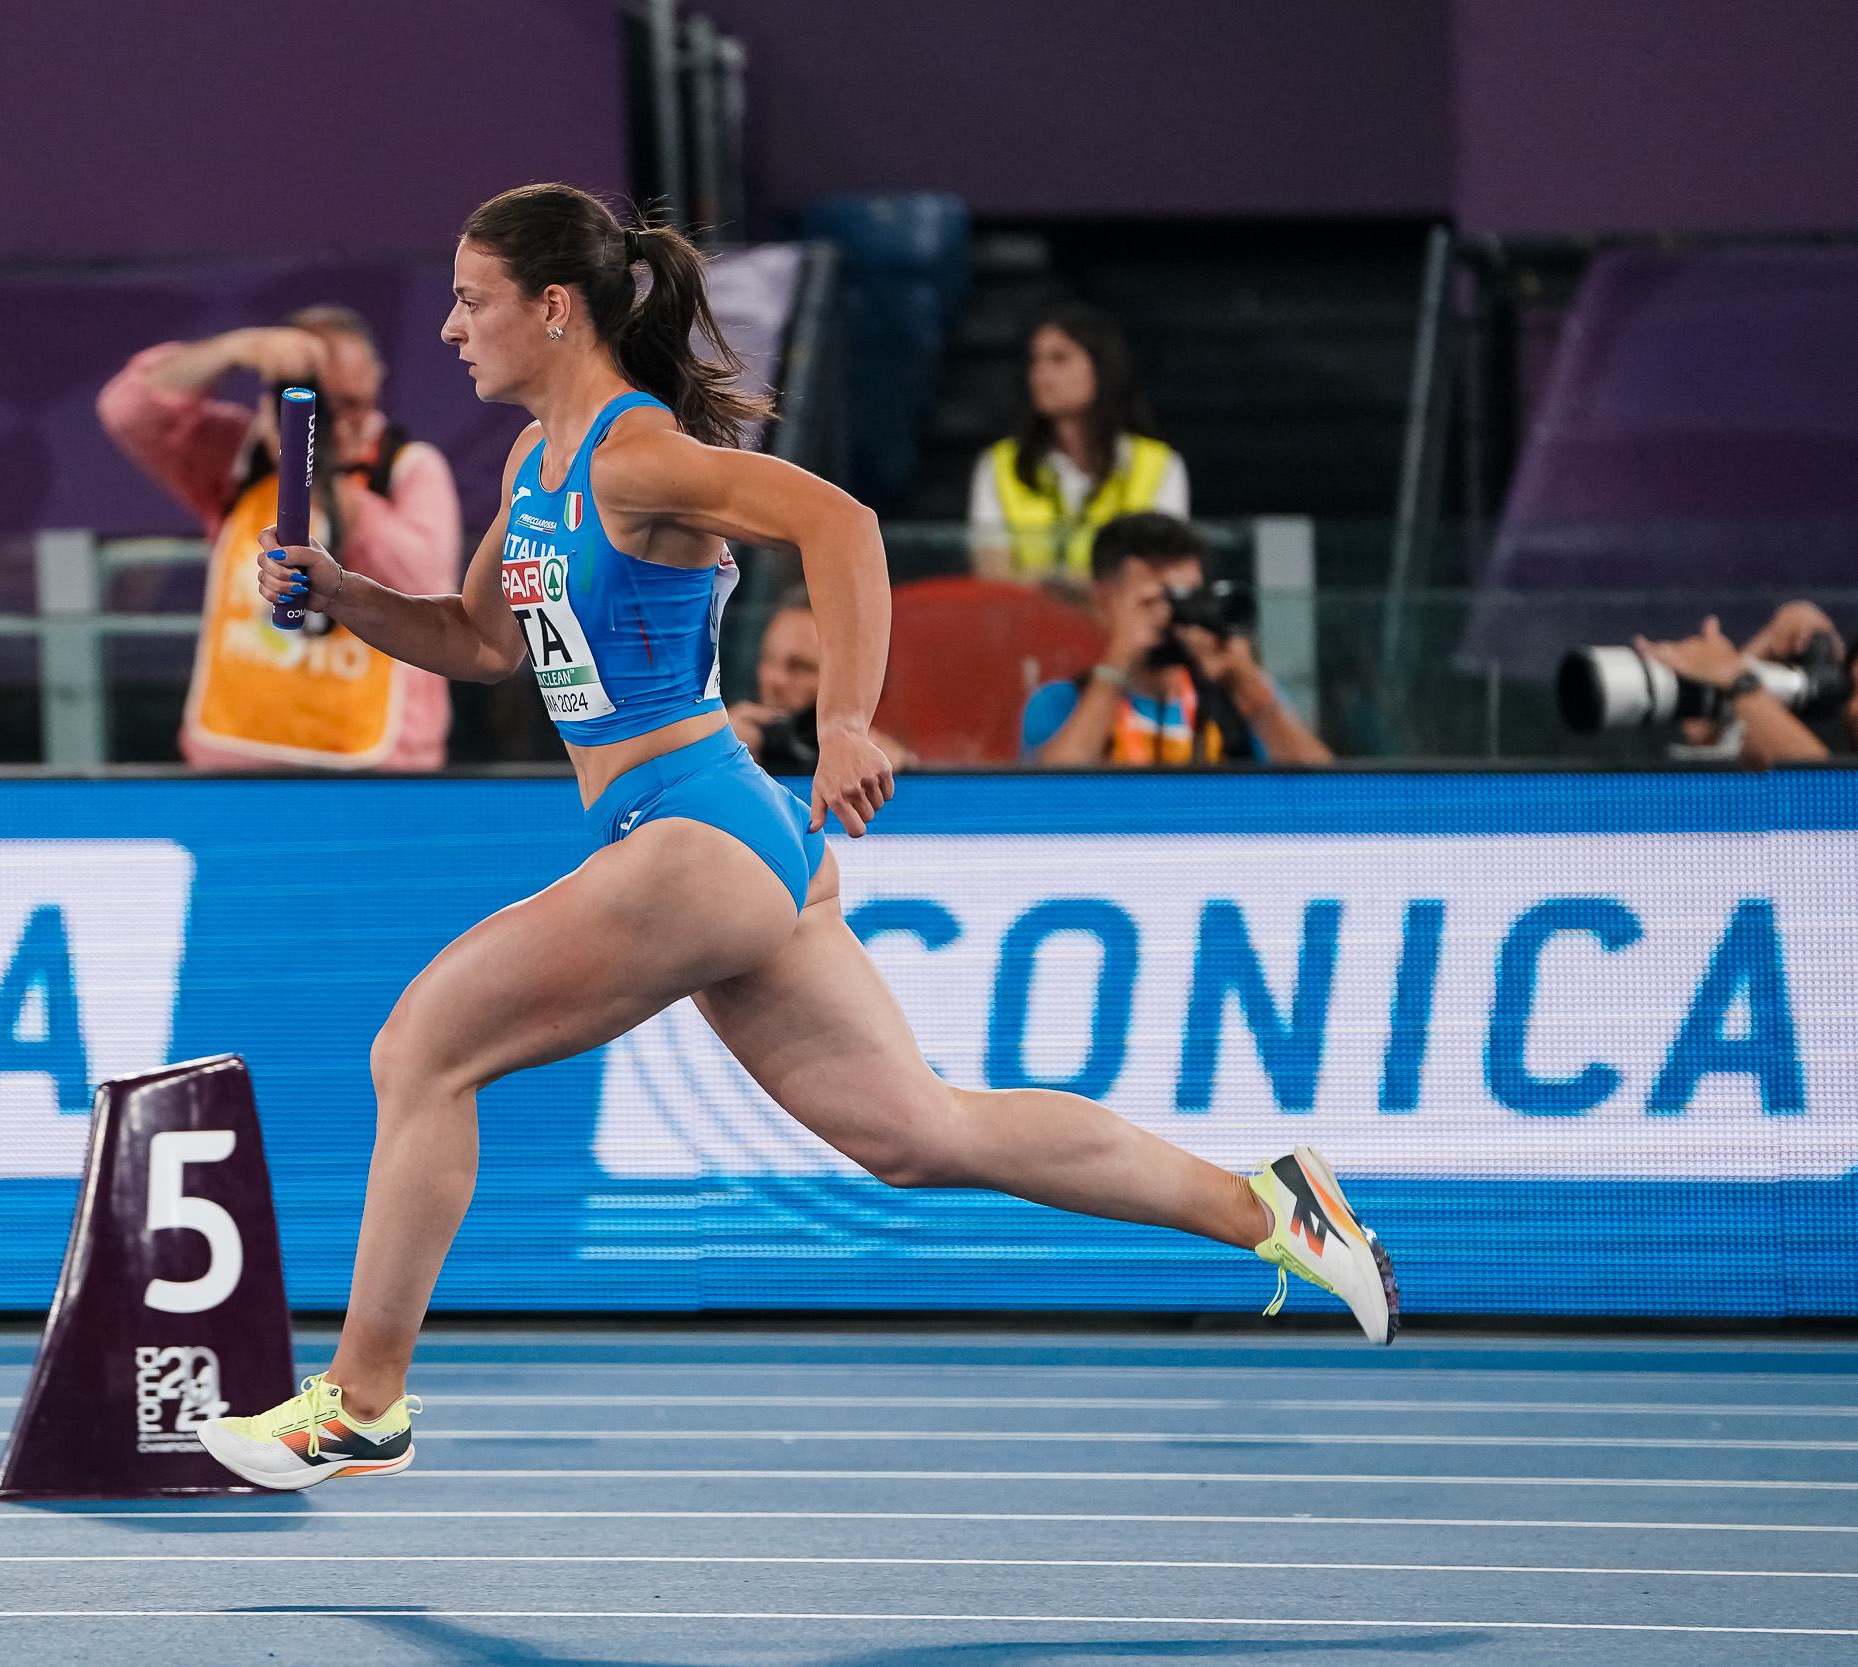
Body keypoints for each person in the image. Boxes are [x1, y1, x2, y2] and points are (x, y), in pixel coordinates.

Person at [194, 185, 1397, 1494]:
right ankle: (1266, 1203)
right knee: (920, 1133)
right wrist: (348, 593)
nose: (447, 327)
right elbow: (481, 642)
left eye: (470, 300)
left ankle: (364, 1400)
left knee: (421, 1049)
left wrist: (845, 724)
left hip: (696, 829)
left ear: (554, 308)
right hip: (722, 840)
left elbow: (843, 524)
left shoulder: (633, 456)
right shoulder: (535, 466)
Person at [98, 306, 462, 771]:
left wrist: (312, 473)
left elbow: (425, 587)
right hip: (234, 760)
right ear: (278, 396)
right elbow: (128, 410)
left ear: (376, 377)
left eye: (355, 404)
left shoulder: (407, 468)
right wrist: (236, 349)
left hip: (373, 769)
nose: (341, 423)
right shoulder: (239, 456)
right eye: (325, 408)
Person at [1025, 513, 1331, 765]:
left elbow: (1326, 794)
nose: (1170, 616)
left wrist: (1249, 687)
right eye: (1152, 601)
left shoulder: (1242, 696)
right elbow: (1048, 799)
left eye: (1188, 598)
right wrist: (1115, 667)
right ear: (1104, 603)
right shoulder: (1062, 702)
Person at [969, 302, 1188, 585]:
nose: (1040, 375)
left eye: (1059, 359)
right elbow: (993, 577)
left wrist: (1051, 585)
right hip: (1029, 615)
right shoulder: (999, 465)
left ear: (1102, 366)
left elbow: (1160, 575)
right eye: (1035, 361)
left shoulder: (1159, 465)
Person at [726, 584, 914, 772]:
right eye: (768, 658)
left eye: (801, 667)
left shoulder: (883, 766)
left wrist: (899, 773)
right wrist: (717, 748)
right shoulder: (730, 748)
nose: (773, 679)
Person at [1640, 603, 1848, 765]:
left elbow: (1822, 790)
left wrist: (1736, 677)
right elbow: (1702, 733)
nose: (1854, 708)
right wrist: (1769, 642)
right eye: (1853, 692)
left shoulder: (1834, 792)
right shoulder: (1837, 738)